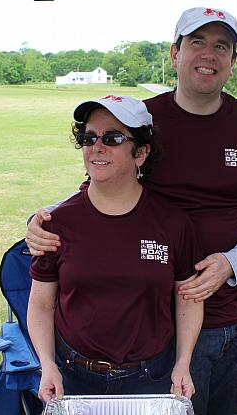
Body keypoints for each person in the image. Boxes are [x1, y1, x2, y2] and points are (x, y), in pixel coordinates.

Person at [27, 7, 237, 415]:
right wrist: (42, 219)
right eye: (196, 43)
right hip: (159, 319)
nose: (208, 55)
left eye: (221, 46)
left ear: (233, 61)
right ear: (175, 53)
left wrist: (231, 264)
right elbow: (102, 182)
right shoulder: (144, 120)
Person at [26, 95, 204, 402]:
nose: (97, 147)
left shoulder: (173, 223)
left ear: (141, 152)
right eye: (88, 137)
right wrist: (48, 365)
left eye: (113, 138)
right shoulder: (58, 224)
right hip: (74, 376)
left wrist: (183, 362)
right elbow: (41, 303)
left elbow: (188, 297)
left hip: (151, 376)